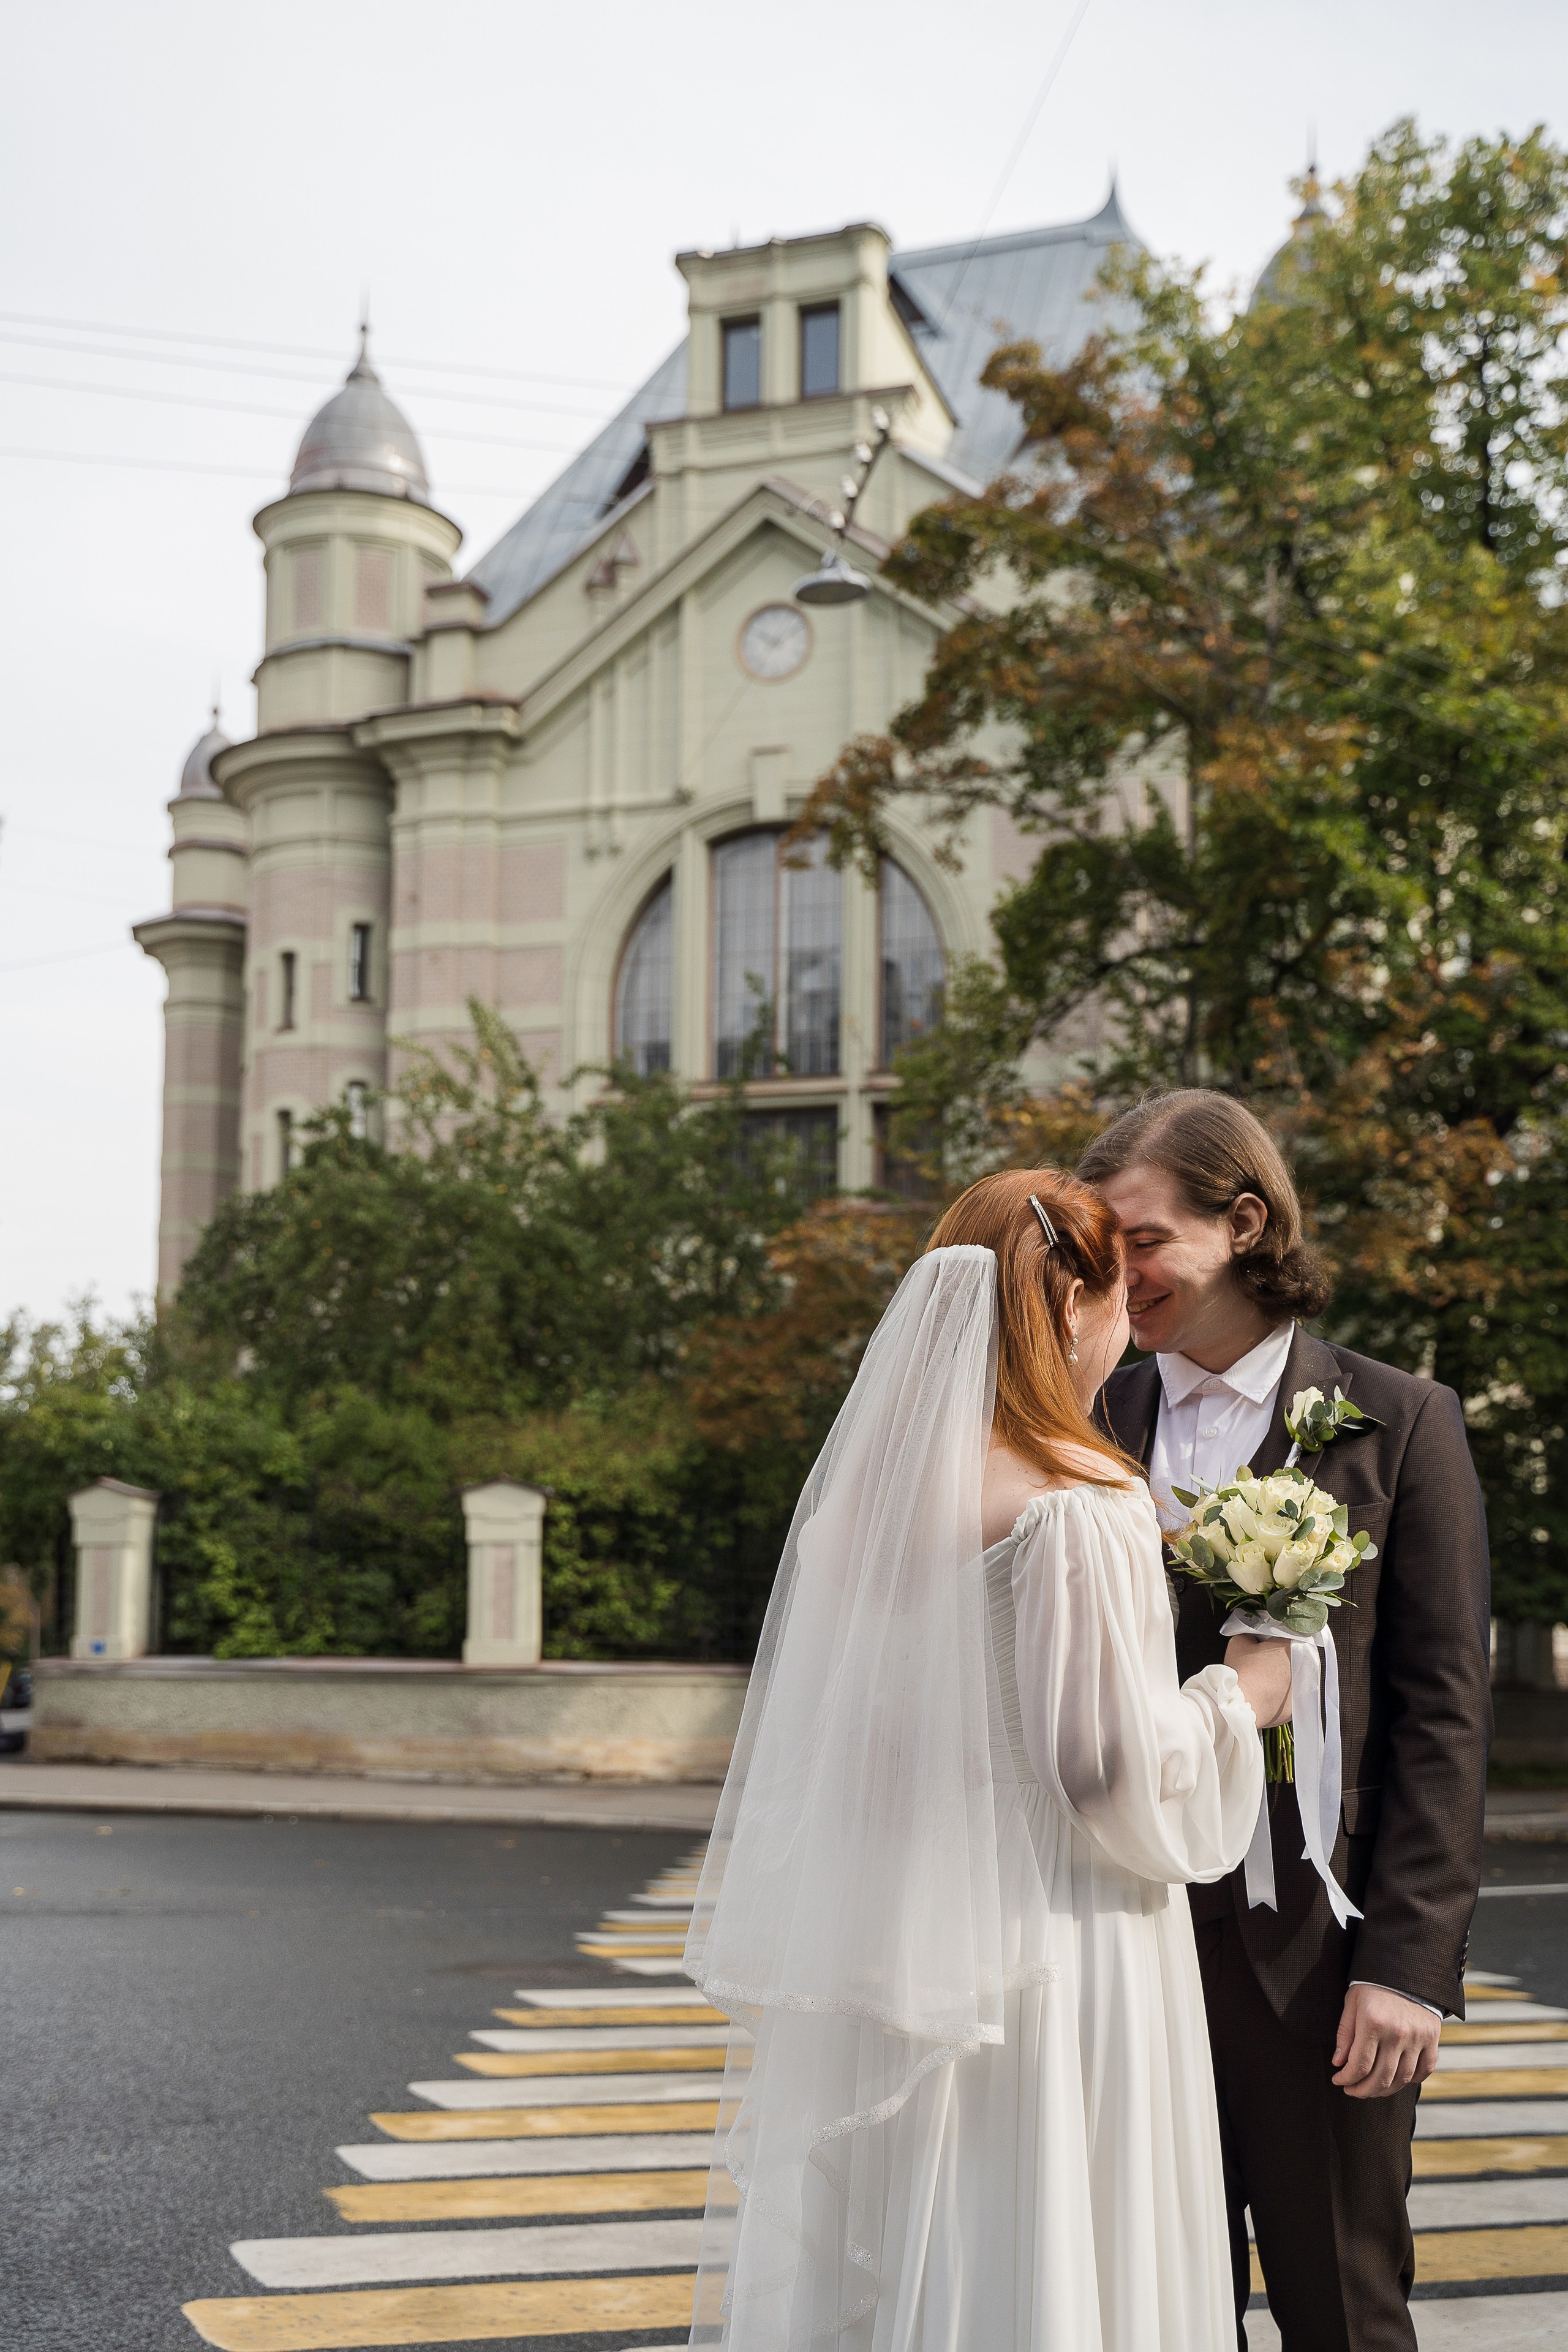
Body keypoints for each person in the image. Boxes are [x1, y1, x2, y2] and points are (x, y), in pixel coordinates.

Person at [684, 1167, 1287, 2351]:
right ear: (1070, 1307)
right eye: (1118, 1296)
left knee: (935, 2218)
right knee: (1057, 2217)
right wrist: (1241, 1695)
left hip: (905, 1934)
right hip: (1063, 1940)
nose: (1126, 1324)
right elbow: (1105, 1770)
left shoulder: (861, 1499)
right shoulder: (1082, 1499)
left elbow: (863, 1739)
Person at [1080, 1091, 1492, 2352]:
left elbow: (1438, 1718)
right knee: (1151, 2314)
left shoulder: (1396, 1421)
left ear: (1241, 1221)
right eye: (1101, 1247)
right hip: (1119, 1955)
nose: (1118, 1272)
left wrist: (1404, 1971)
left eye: (1141, 1239)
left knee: (1343, 2316)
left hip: (1319, 1963)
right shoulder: (1082, 1426)